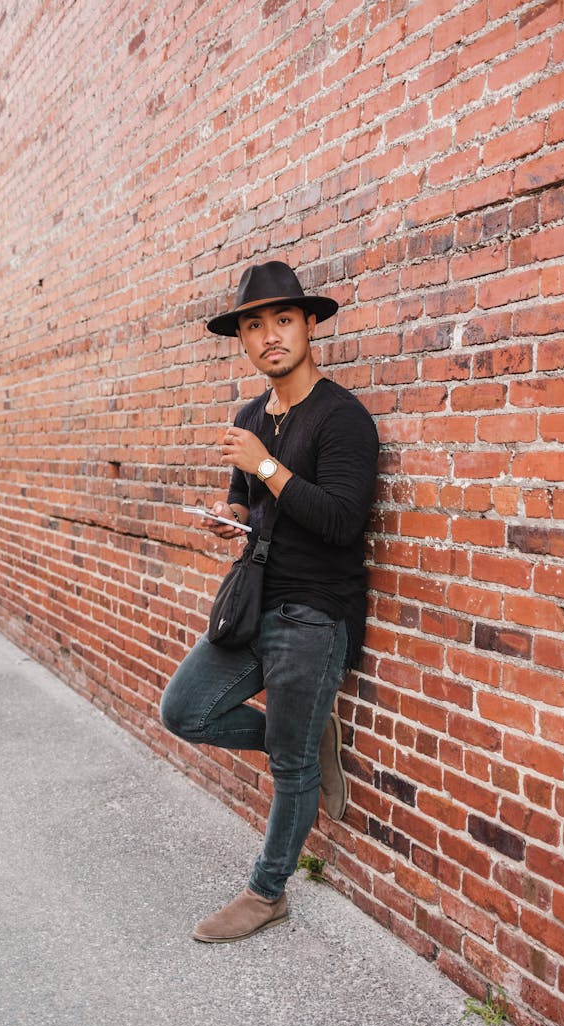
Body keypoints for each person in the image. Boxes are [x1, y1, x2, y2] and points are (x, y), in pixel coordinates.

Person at [160, 260, 379, 943]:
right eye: (253, 326)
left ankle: (267, 891)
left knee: (287, 767)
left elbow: (343, 520)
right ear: (243, 341)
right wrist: (229, 511)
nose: (269, 336)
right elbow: (247, 499)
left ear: (309, 325)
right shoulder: (251, 417)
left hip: (315, 611)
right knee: (185, 709)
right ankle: (303, 744)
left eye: (283, 320)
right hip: (253, 602)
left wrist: (263, 465)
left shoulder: (344, 419)